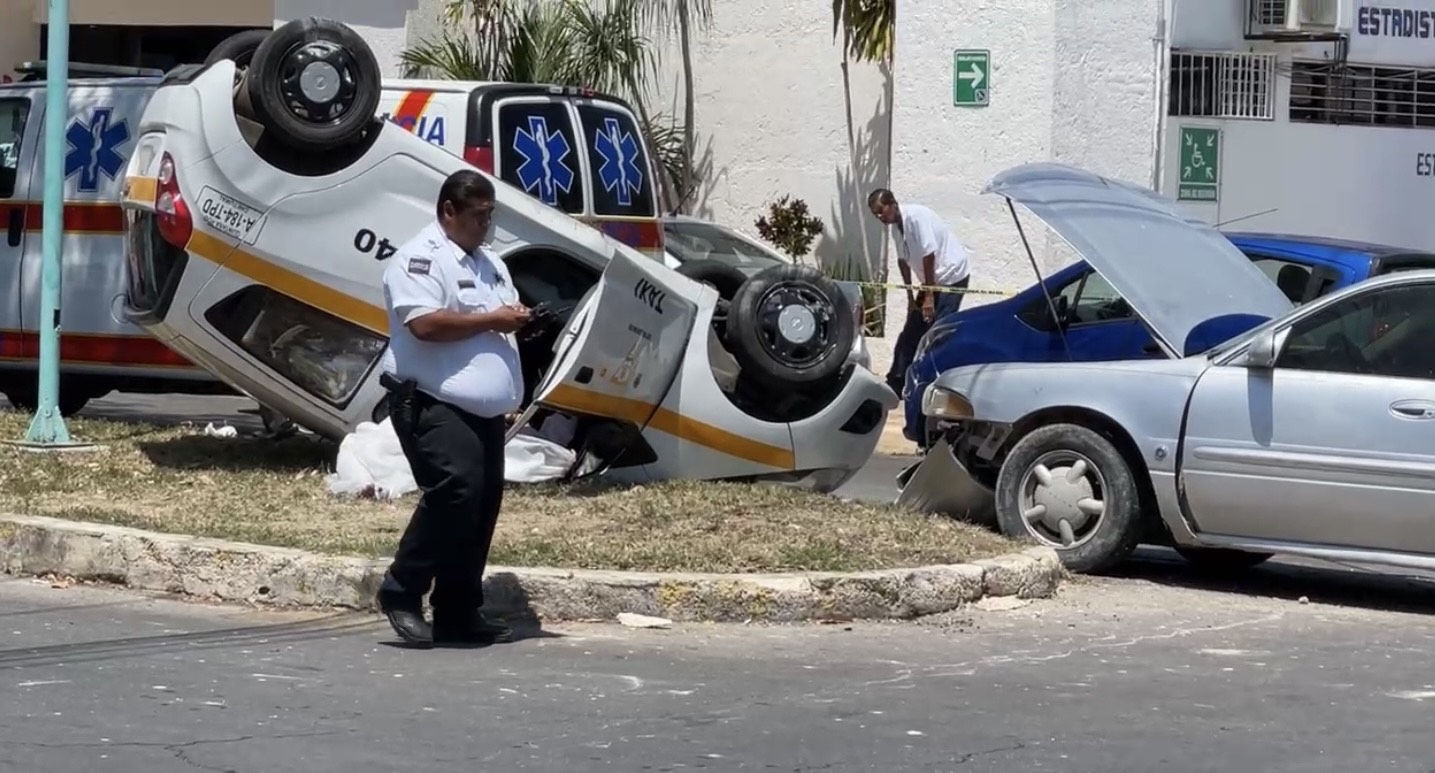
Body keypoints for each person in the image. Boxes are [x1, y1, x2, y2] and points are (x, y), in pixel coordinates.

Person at [375, 169, 532, 648]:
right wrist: (493, 319)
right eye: (479, 216)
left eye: (491, 215)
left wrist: (518, 321)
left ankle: (459, 609)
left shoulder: (491, 264)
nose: (487, 225)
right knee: (456, 491)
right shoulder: (419, 260)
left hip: (480, 410)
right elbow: (424, 325)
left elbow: (497, 318)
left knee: (482, 503)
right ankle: (401, 591)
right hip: (430, 400)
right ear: (449, 211)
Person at [868, 188, 972, 395]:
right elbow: (902, 261)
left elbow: (929, 255)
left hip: (950, 277)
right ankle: (896, 382)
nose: (880, 216)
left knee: (937, 332)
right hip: (929, 281)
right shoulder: (896, 228)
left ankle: (933, 384)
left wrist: (929, 296)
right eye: (875, 214)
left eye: (882, 211)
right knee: (912, 330)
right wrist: (910, 298)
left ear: (893, 203)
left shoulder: (915, 218)